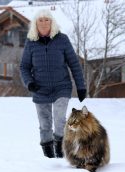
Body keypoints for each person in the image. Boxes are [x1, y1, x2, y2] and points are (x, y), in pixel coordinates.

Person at [20, 9, 86, 159]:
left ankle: (60, 150)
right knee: (44, 124)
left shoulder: (62, 39)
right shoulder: (31, 42)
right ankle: (48, 155)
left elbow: (74, 64)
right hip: (40, 89)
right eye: (40, 20)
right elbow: (24, 67)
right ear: (35, 24)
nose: (44, 23)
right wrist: (29, 83)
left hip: (61, 87)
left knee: (60, 119)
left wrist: (81, 86)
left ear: (52, 22)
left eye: (47, 20)